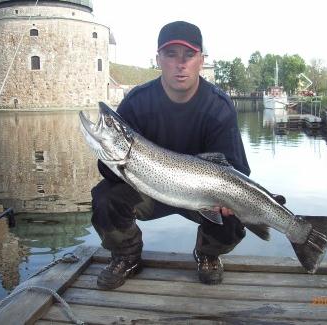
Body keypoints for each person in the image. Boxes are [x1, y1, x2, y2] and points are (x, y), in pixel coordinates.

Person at [91, 21, 250, 290]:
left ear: (201, 60)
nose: (181, 64)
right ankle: (126, 256)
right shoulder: (137, 101)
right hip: (149, 189)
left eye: (189, 55)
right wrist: (108, 153)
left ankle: (208, 254)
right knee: (105, 198)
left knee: (237, 211)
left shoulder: (219, 107)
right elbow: (109, 174)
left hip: (205, 194)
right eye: (171, 54)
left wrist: (227, 201)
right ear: (158, 59)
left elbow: (236, 169)